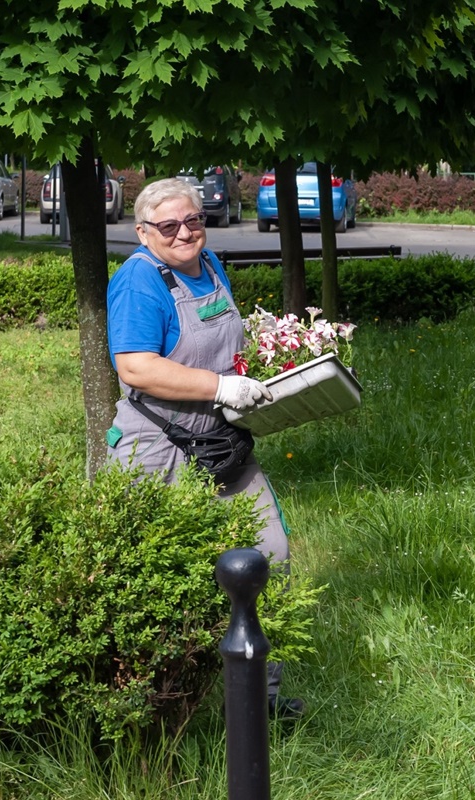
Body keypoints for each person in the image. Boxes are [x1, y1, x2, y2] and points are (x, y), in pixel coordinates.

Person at [105, 177, 305, 718]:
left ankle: (260, 703)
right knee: (161, 575)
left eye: (192, 220)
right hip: (156, 446)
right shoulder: (138, 283)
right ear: (144, 232)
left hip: (219, 439)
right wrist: (221, 388)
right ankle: (158, 710)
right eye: (169, 225)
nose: (184, 232)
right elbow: (135, 366)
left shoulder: (210, 265)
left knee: (270, 556)